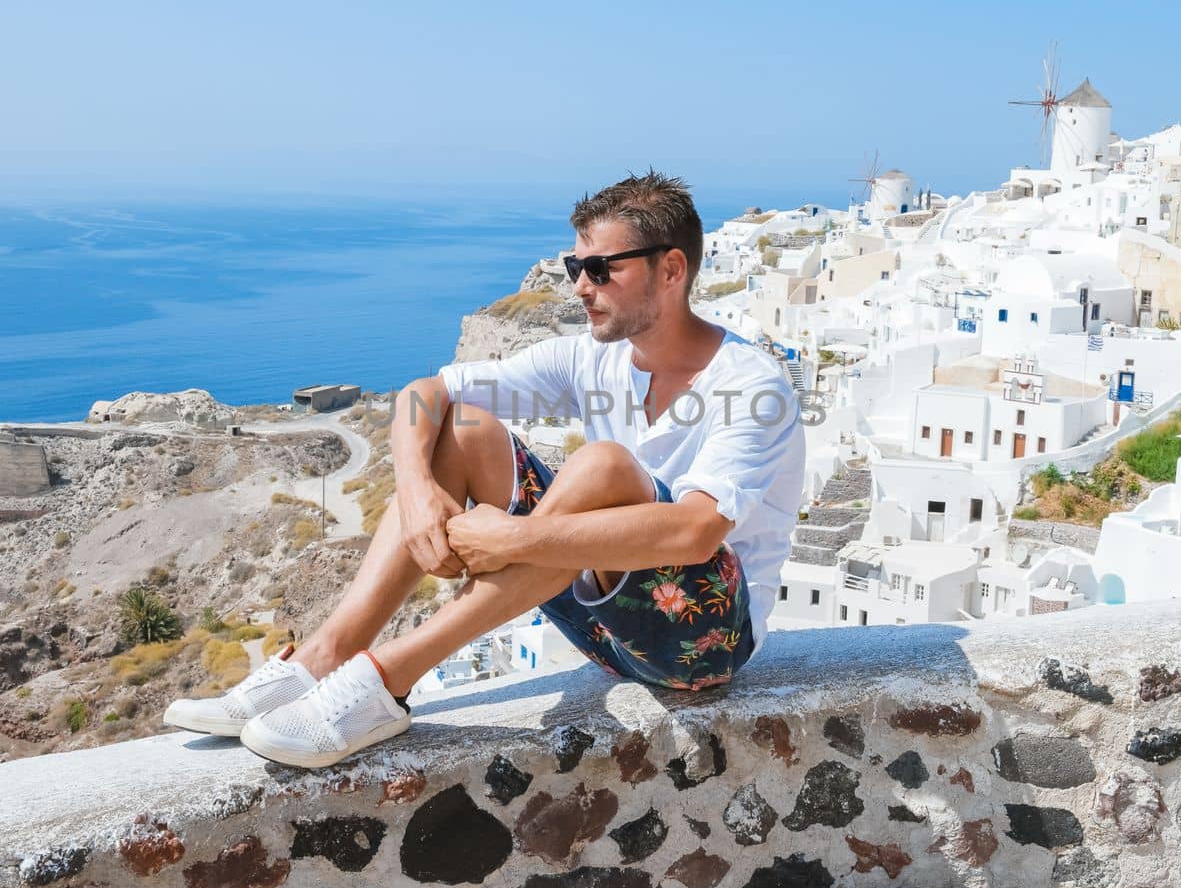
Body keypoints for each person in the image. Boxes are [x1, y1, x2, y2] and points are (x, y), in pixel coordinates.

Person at [164, 171, 806, 768]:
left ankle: (385, 682)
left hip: (700, 643)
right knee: (463, 429)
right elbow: (425, 392)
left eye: (601, 269)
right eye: (574, 266)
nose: (581, 286)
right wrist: (416, 491)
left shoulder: (751, 382)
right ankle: (322, 658)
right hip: (601, 617)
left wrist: (518, 538)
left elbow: (695, 531)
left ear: (671, 269)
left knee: (604, 467)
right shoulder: (591, 359)